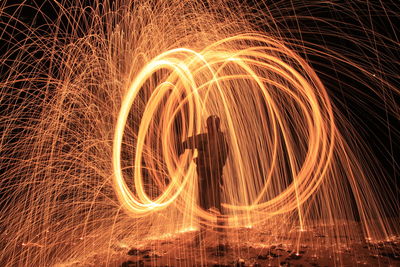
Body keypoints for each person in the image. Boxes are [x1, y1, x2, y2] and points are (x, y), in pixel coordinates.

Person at [177, 115, 229, 248]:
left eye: (213, 125)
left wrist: (201, 162)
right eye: (209, 125)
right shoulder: (204, 138)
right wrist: (180, 149)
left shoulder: (220, 141)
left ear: (217, 126)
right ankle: (202, 236)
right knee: (204, 207)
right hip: (204, 178)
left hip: (214, 177)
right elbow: (187, 143)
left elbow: (221, 160)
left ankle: (221, 237)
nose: (211, 127)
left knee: (216, 205)